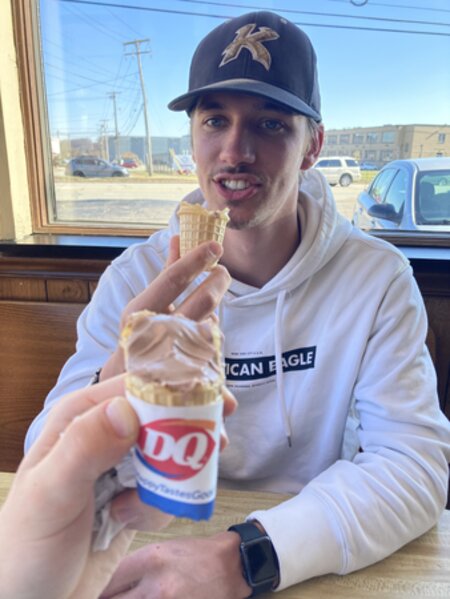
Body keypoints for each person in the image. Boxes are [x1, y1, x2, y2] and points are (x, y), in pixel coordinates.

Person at [26, 10, 450, 598]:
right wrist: (114, 382)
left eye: (270, 124)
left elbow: (415, 464)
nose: (234, 151)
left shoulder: (376, 279)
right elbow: (43, 455)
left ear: (312, 146)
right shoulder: (136, 278)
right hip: (149, 543)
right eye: (214, 120)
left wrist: (245, 557)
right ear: (192, 136)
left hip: (303, 556)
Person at [0, 239, 235, 599]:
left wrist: (257, 551)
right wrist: (108, 387)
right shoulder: (133, 272)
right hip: (131, 541)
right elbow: (40, 448)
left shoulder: (338, 277)